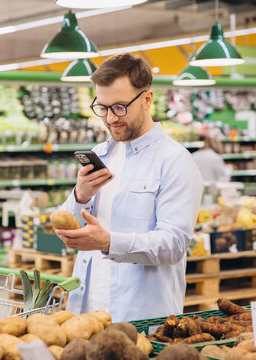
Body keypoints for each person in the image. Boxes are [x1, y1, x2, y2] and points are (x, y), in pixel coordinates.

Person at [55, 53, 203, 322]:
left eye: (120, 107)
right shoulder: (100, 154)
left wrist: (109, 241)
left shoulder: (174, 161)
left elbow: (173, 244)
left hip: (140, 318)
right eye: (103, 107)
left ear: (147, 99)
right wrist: (80, 196)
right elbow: (70, 227)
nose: (111, 118)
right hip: (85, 312)